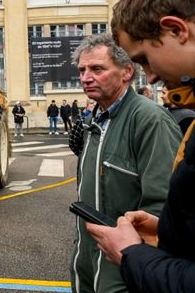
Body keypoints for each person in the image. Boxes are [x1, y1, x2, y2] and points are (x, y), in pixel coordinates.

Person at [85, 0, 195, 292]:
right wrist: (167, 230)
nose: (154, 76)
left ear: (176, 29)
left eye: (145, 59)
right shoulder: (96, 119)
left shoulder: (150, 118)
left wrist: (133, 255)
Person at [69, 33, 182, 293]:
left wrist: (135, 261)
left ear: (127, 72)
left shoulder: (150, 120)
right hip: (87, 262)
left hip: (123, 270)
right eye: (82, 69)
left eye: (97, 69)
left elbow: (162, 207)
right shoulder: (93, 118)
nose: (86, 77)